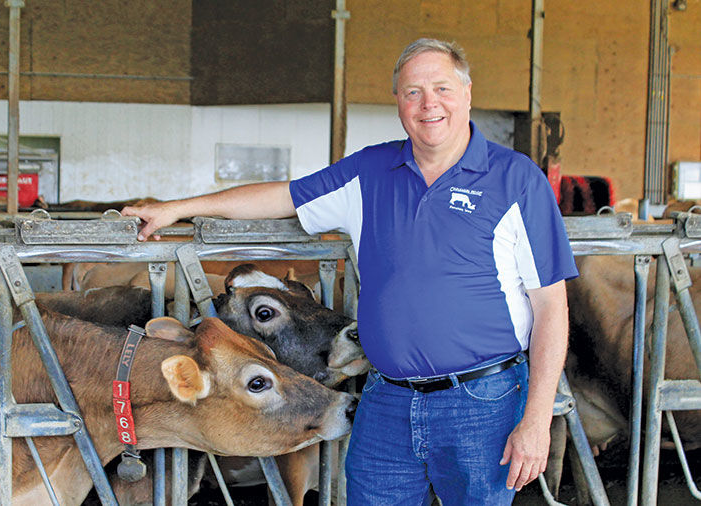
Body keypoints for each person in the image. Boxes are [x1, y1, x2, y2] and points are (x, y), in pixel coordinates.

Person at [122, 38, 576, 505]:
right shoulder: (371, 170)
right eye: (413, 92)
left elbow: (551, 308)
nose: (428, 103)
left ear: (467, 93)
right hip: (388, 399)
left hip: (482, 401)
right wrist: (176, 208)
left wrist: (536, 419)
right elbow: (283, 196)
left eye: (442, 88)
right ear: (398, 101)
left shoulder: (517, 179)